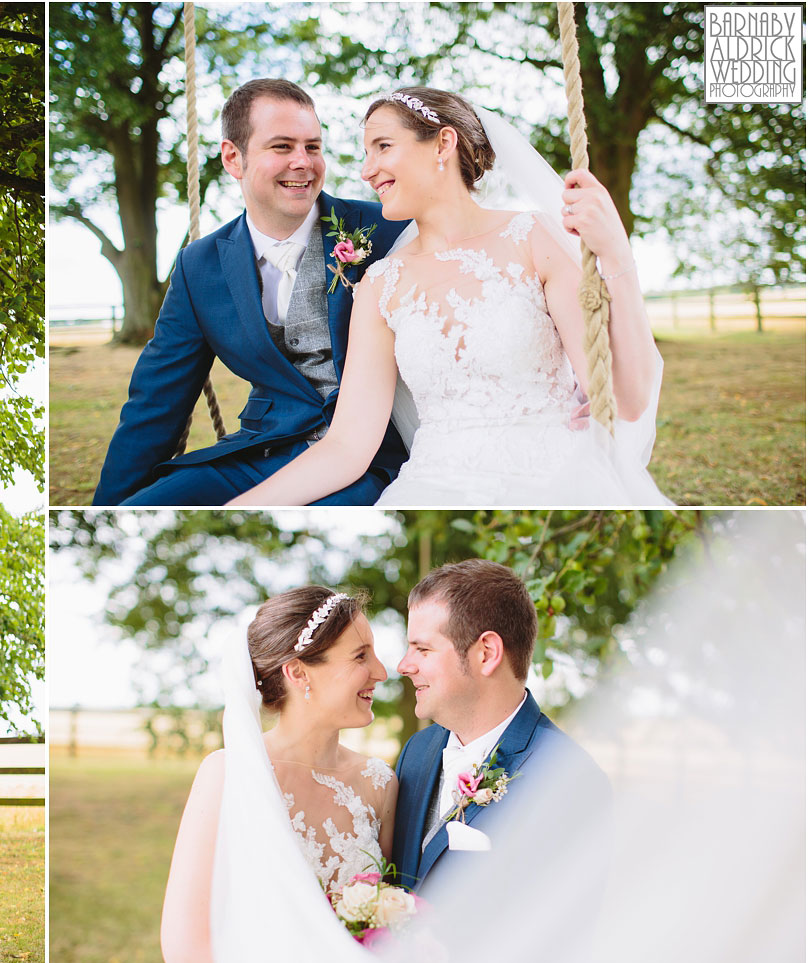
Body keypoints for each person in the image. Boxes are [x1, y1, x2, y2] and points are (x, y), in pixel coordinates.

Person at [229, 87, 671, 506]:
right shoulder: (381, 285)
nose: (366, 170)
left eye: (383, 146)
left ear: (443, 144)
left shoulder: (532, 239)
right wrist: (239, 506)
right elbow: (346, 446)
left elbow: (625, 400)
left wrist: (616, 254)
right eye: (366, 153)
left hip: (552, 475)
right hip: (431, 483)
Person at [93, 79, 411, 506]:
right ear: (233, 158)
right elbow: (156, 401)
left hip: (371, 459)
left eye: (313, 147)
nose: (303, 162)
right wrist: (109, 507)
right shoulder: (198, 266)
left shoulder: (390, 229)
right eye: (282, 147)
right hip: (256, 452)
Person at [160, 587, 404, 963]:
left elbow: (384, 924)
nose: (381, 672)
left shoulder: (379, 783)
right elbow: (186, 952)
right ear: (298, 673)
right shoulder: (227, 775)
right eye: (360, 656)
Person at [391, 559, 610, 904]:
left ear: (486, 653)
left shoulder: (569, 778)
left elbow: (566, 935)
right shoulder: (415, 753)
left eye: (422, 648)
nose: (404, 665)